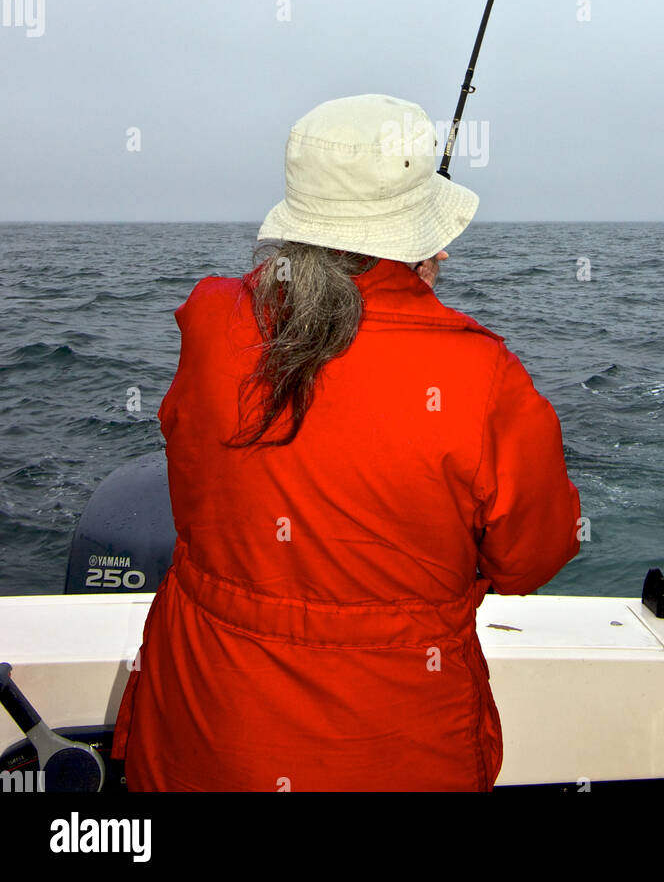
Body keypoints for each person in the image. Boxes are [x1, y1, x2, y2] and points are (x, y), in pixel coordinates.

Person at [111, 93, 581, 792]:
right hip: (395, 749)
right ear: (423, 238)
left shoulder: (211, 321)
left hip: (202, 735)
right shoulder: (483, 377)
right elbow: (531, 558)